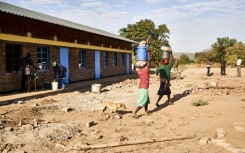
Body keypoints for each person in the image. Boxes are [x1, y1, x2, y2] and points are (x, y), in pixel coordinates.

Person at [132, 41, 150, 118]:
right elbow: (149, 61)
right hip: (144, 87)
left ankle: (146, 112)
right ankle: (134, 112)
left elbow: (146, 62)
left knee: (146, 100)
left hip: (142, 87)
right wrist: (148, 52)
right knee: (143, 100)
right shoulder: (145, 70)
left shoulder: (139, 71)